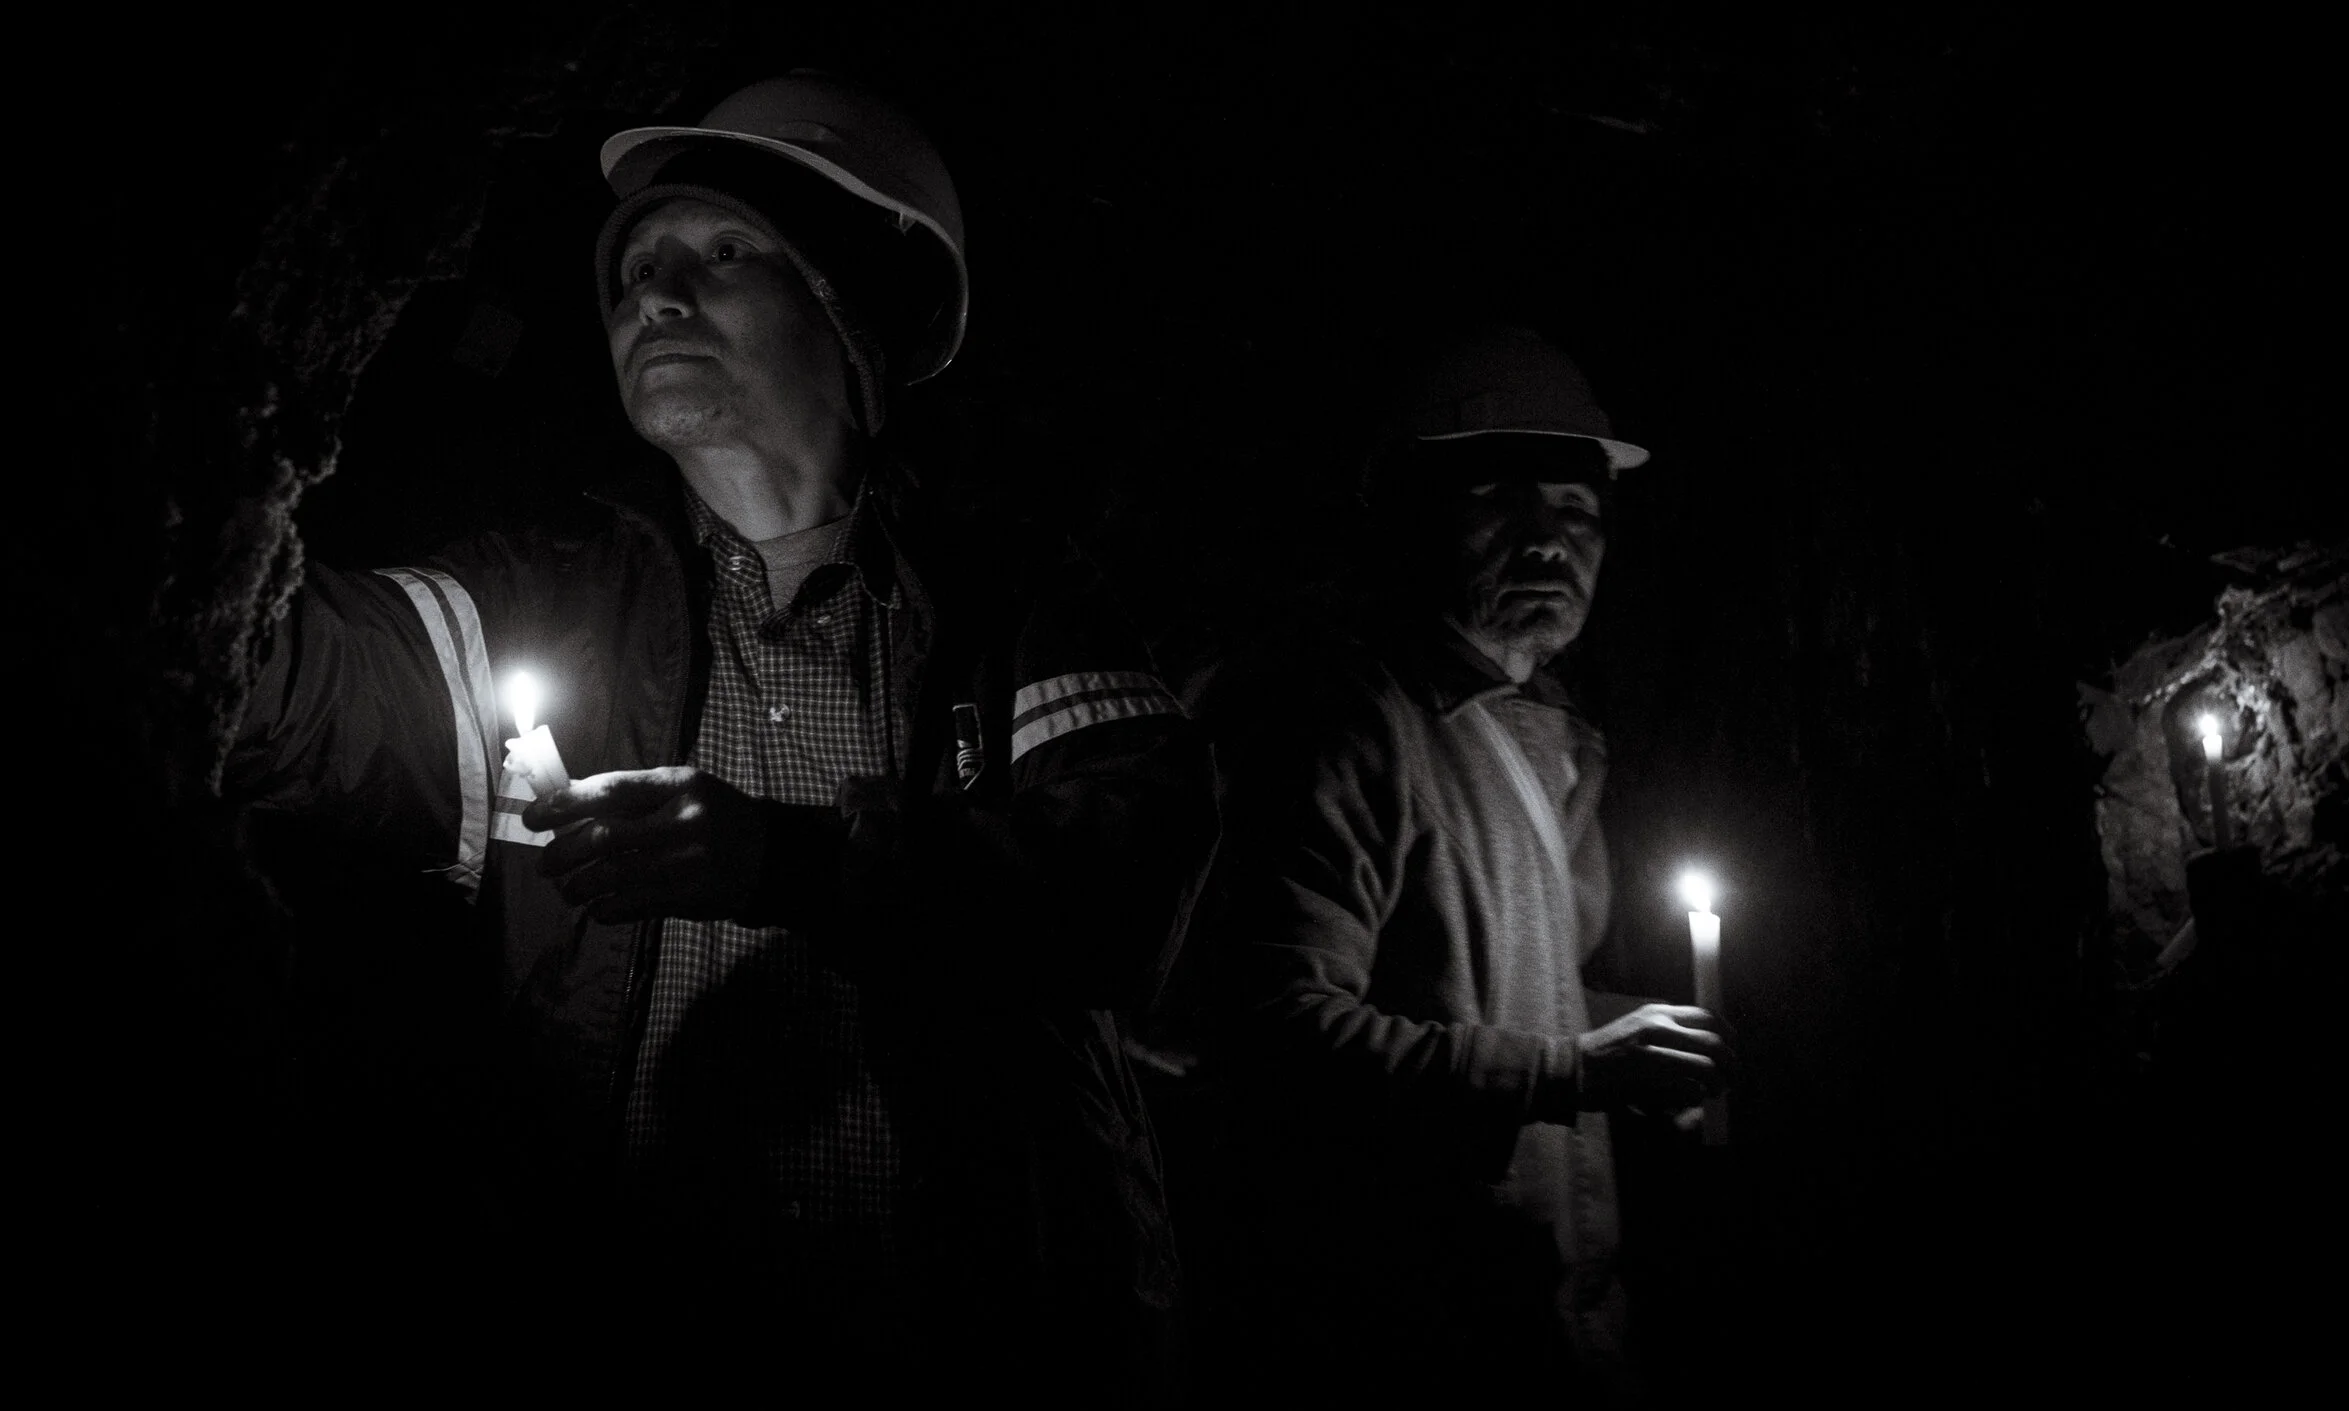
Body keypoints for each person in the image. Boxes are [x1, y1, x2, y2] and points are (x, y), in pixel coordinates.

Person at [223, 73, 1218, 1381]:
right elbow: (297, 675)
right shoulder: (564, 593)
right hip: (645, 1337)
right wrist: (197, 529)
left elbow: (1121, 887)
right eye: (639, 263)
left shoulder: (1015, 605)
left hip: (973, 1345)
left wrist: (788, 861)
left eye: (727, 251)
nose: (658, 291)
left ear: (858, 309)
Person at [1208, 326, 1726, 1398]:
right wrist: (1575, 1071)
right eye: (1501, 499)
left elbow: (1511, 994)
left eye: (1577, 508)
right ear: (1407, 513)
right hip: (1403, 1347)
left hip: (1559, 1320)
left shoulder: (1555, 736)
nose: (1549, 541)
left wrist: (1638, 1049)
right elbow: (1274, 1032)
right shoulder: (1344, 725)